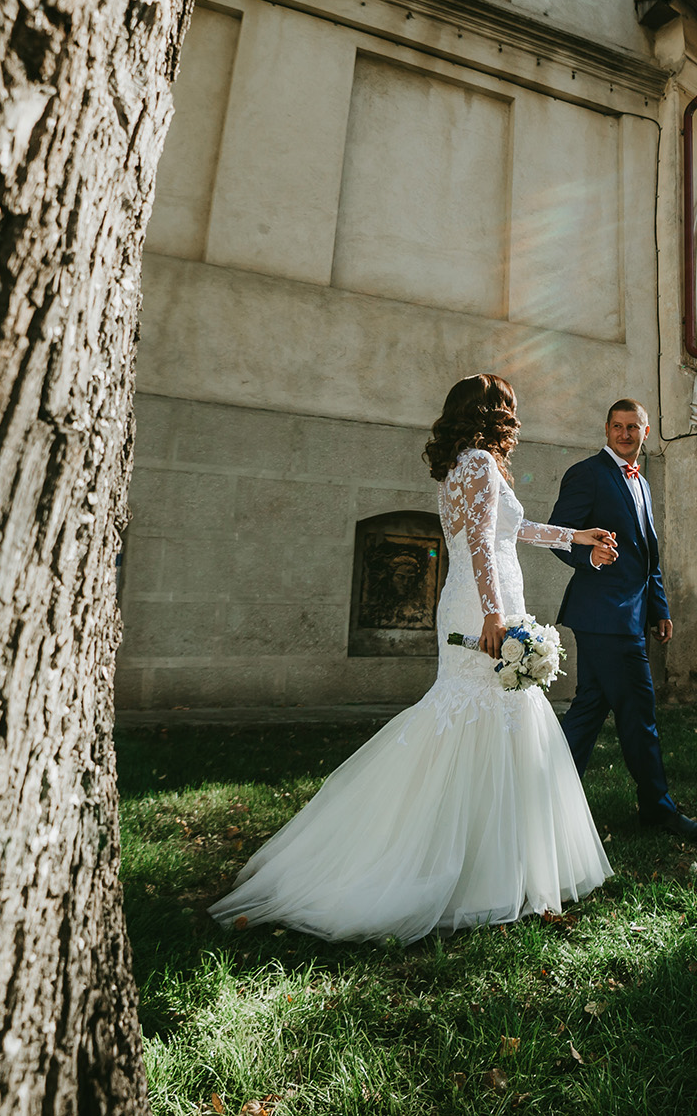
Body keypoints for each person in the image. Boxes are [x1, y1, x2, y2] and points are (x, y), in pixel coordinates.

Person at [209, 375, 620, 941]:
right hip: (482, 603)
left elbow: (512, 529)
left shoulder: (468, 466)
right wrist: (494, 615)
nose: (518, 419)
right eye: (512, 409)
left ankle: (494, 866)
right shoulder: (477, 463)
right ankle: (462, 868)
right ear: (491, 413)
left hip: (481, 597)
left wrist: (576, 536)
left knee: (489, 716)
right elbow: (479, 540)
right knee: (477, 713)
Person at [549, 399, 697, 841]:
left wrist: (658, 608)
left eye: (632, 427)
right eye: (617, 427)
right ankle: (657, 808)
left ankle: (546, 797)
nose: (624, 434)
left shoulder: (641, 482)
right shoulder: (588, 474)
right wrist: (590, 556)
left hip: (631, 616)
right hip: (604, 616)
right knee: (639, 712)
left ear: (645, 433)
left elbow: (648, 558)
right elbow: (558, 535)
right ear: (606, 429)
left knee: (589, 709)